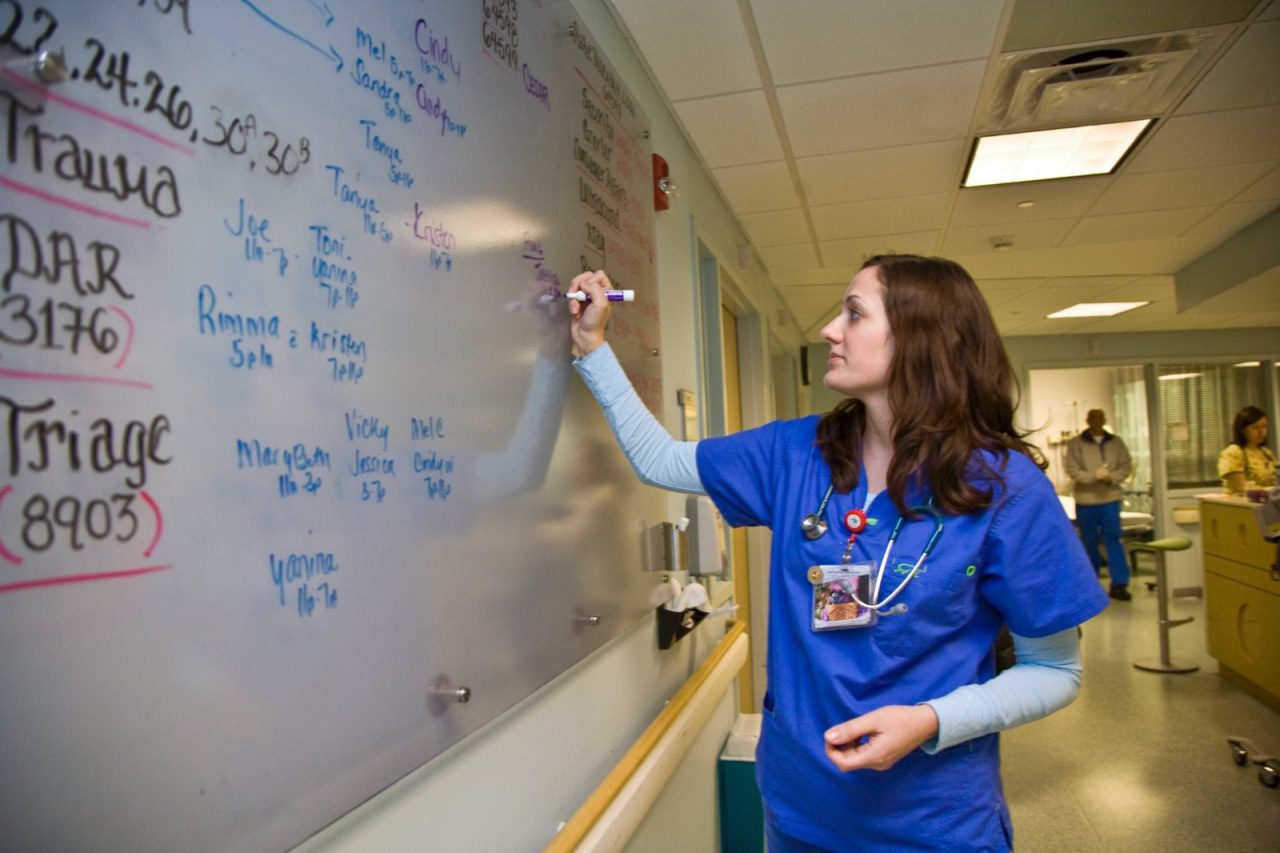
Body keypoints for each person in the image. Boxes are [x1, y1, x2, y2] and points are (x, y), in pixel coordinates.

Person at [568, 254, 1108, 851]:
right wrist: (592, 346)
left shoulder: (1004, 489)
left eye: (854, 313)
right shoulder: (797, 452)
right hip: (799, 811)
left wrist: (930, 721)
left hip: (933, 824)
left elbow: (1055, 671)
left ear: (921, 338)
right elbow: (661, 460)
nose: (829, 329)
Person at [1063, 409, 1134, 601]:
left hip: (1110, 499)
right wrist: (1093, 477)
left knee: (1114, 541)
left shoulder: (1116, 443)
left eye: (1099, 418)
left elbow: (1126, 466)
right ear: (1087, 420)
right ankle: (1090, 584)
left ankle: (1119, 584)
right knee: (1089, 542)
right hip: (1086, 500)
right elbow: (1072, 469)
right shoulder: (1076, 444)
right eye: (1093, 418)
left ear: (1104, 420)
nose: (1096, 421)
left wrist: (1111, 478)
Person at [1218, 405, 1277, 494]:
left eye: (1264, 427)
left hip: (1268, 502)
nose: (1261, 432)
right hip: (1242, 504)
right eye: (1255, 427)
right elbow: (1240, 487)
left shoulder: (1267, 453)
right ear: (1242, 430)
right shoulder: (1234, 452)